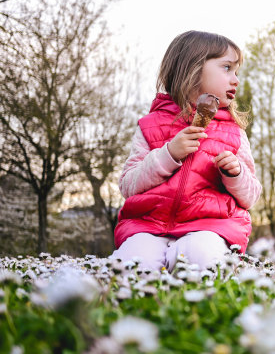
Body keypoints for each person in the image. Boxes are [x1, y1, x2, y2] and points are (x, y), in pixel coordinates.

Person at [110, 31, 261, 271]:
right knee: (131, 264)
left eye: (236, 71)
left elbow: (251, 196)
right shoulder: (151, 125)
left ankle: (200, 305)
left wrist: (235, 173)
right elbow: (128, 186)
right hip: (148, 226)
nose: (236, 80)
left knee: (201, 256)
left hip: (209, 226)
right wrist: (167, 155)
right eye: (227, 68)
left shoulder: (234, 133)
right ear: (193, 68)